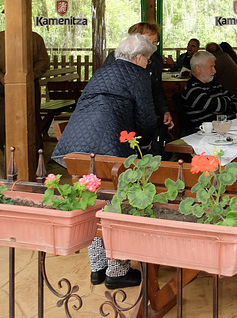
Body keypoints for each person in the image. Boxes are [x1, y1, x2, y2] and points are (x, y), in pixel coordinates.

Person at [52, 33, 158, 290]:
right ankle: (117, 271)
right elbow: (145, 118)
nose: (148, 64)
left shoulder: (102, 71)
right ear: (139, 57)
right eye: (148, 59)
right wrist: (145, 146)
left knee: (93, 201)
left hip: (74, 146)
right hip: (107, 146)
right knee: (115, 202)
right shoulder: (138, 75)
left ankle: (98, 267)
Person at [103, 22, 174, 132]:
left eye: (155, 42)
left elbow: (157, 89)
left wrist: (165, 110)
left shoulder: (156, 60)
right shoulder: (116, 58)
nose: (153, 47)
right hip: (119, 118)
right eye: (148, 42)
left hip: (146, 116)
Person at [0, 31, 50, 152]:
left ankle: (36, 157)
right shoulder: (0, 38)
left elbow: (44, 62)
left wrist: (29, 76)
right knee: (3, 122)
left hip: (30, 86)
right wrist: (3, 78)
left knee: (32, 121)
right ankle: (7, 154)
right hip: (3, 87)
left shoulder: (35, 38)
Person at [180, 51, 237, 134]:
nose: (215, 71)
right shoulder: (192, 89)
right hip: (208, 136)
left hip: (228, 130)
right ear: (198, 68)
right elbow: (218, 106)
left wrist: (221, 108)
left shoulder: (215, 84)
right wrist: (226, 104)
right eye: (211, 67)